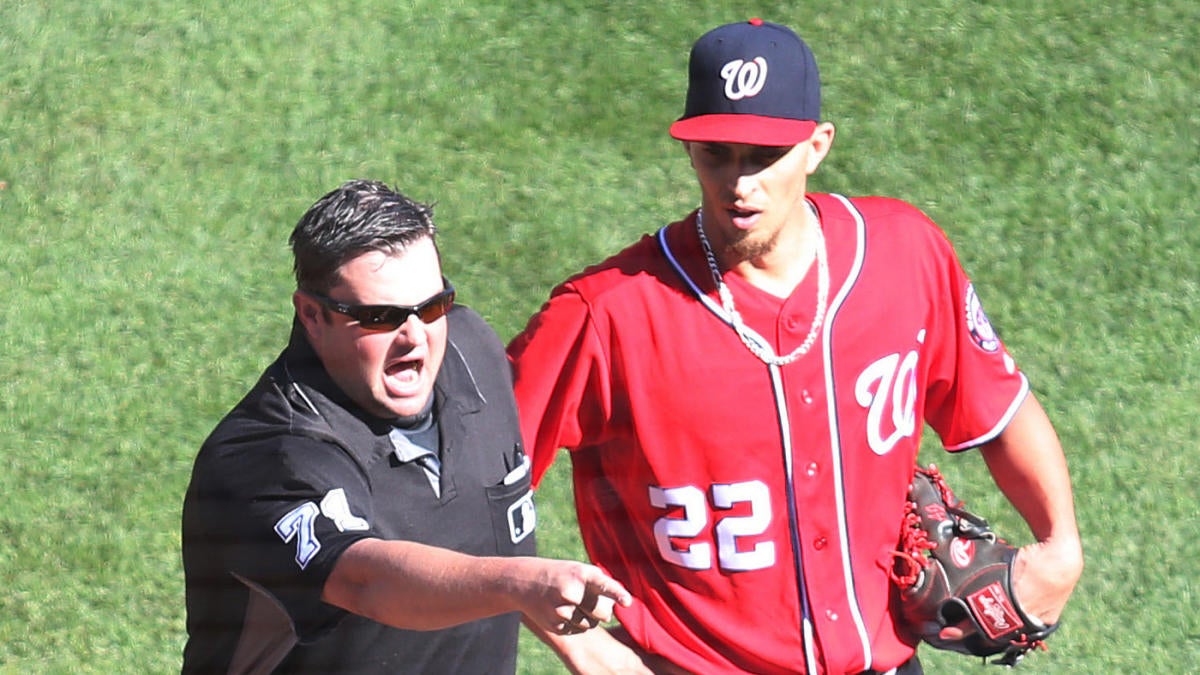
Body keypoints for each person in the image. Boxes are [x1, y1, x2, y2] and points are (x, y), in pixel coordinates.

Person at [507, 19, 1083, 675]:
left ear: (816, 145)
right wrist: (586, 646)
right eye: (715, 154)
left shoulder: (904, 254)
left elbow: (997, 404)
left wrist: (1060, 545)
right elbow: (476, 489)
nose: (738, 182)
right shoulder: (607, 312)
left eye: (762, 156)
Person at [182, 179, 630, 674]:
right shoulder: (268, 454)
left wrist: (591, 649)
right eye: (381, 317)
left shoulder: (470, 354)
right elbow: (364, 582)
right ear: (312, 315)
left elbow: (485, 550)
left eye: (433, 306)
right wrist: (518, 584)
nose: (415, 339)